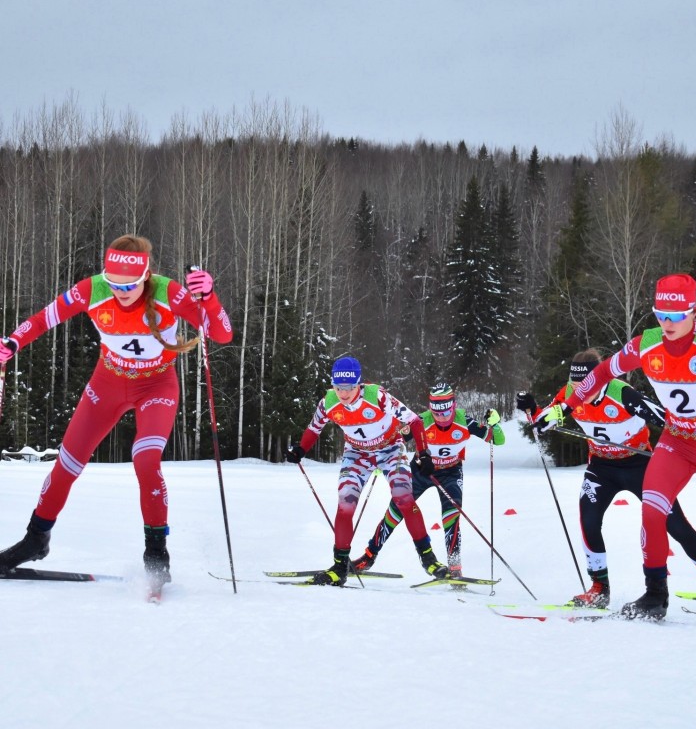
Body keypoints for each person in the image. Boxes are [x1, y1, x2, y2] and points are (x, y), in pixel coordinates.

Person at [535, 273, 696, 620]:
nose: (668, 323)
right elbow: (601, 373)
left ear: (693, 311)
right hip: (679, 441)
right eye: (661, 315)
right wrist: (565, 407)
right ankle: (655, 596)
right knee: (653, 507)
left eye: (675, 316)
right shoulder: (646, 344)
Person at [0, 235, 233, 590]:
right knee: (67, 464)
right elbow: (46, 318)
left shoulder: (168, 293)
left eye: (129, 284)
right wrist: (12, 343)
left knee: (146, 459)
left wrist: (209, 298)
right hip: (107, 383)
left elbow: (222, 334)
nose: (120, 291)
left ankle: (156, 552)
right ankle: (36, 539)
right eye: (113, 283)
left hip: (156, 385)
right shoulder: (91, 290)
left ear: (145, 276)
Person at [518, 349, 696, 610]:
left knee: (676, 525)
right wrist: (532, 409)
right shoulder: (569, 395)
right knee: (589, 521)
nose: (579, 392)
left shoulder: (623, 394)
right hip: (602, 468)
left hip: (640, 465)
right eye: (574, 385)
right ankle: (599, 589)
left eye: (585, 386)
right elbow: (543, 421)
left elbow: (668, 419)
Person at [285, 357, 448, 586]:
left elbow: (415, 422)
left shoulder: (377, 397)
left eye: (349, 388)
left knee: (403, 498)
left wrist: (424, 454)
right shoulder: (328, 403)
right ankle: (339, 567)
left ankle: (428, 558)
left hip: (390, 448)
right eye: (338, 387)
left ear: (359, 384)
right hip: (357, 453)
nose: (343, 394)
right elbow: (314, 428)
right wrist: (300, 449)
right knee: (345, 503)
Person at [351, 382, 505, 579]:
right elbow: (398, 436)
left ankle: (455, 568)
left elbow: (497, 440)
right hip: (421, 470)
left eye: (445, 410)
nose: (441, 416)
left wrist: (495, 424)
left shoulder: (465, 422)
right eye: (436, 411)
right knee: (395, 510)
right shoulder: (422, 420)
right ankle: (369, 557)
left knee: (452, 516)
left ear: (453, 405)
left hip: (451, 472)